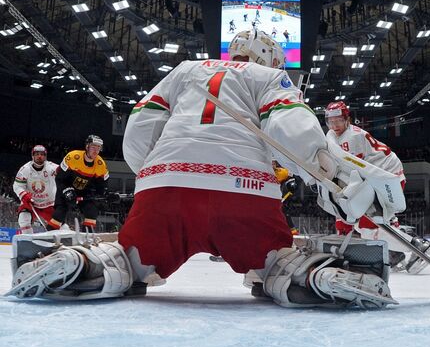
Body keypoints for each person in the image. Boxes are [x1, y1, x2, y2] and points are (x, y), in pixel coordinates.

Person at [8, 30, 405, 310]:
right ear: (269, 60)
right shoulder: (270, 76)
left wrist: (156, 173)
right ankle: (308, 274)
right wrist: (330, 176)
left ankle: (88, 264)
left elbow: (141, 123)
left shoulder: (185, 69)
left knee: (131, 260)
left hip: (165, 189)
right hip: (245, 194)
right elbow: (291, 129)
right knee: (273, 259)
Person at [324, 100, 430, 274]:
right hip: (381, 176)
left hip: (387, 177)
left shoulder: (351, 137)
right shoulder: (337, 136)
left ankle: (419, 247)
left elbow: (356, 170)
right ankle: (395, 254)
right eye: (331, 121)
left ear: (347, 119)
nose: (334, 124)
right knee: (379, 221)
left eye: (338, 120)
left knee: (368, 227)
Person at [47, 135, 109, 232]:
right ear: (87, 146)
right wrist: (66, 191)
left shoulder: (101, 164)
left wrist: (106, 194)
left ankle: (86, 239)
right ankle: (49, 238)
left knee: (92, 212)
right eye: (93, 147)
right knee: (59, 214)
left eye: (98, 148)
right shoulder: (72, 157)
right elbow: (59, 178)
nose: (96, 151)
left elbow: (102, 186)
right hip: (66, 188)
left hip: (84, 192)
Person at [13, 145, 58, 234]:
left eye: (42, 154)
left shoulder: (52, 167)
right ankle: (28, 242)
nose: (39, 156)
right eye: (37, 154)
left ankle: (67, 242)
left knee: (62, 226)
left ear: (45, 156)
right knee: (23, 219)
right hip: (31, 203)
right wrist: (24, 195)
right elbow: (17, 185)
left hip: (49, 204)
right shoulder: (24, 169)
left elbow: (65, 176)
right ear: (32, 156)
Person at [272, 160, 299, 235]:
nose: (272, 165)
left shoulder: (283, 172)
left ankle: (292, 231)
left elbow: (293, 178)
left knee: (284, 211)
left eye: (274, 163)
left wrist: (292, 184)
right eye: (271, 163)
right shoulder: (264, 170)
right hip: (270, 193)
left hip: (280, 194)